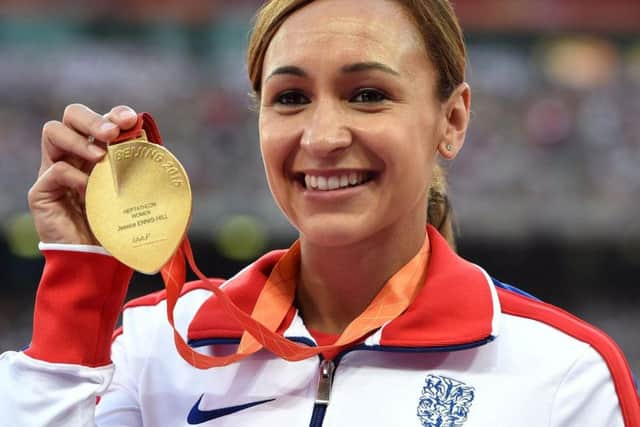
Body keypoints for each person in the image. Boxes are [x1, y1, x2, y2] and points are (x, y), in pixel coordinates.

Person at [1, 0, 639, 425]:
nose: (323, 134)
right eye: (291, 97)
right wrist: (78, 286)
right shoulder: (149, 349)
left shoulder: (565, 374)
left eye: (367, 95)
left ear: (453, 119)